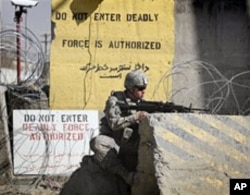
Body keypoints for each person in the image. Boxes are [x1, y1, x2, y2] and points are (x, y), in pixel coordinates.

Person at [90, 70, 149, 191]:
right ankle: (126, 176)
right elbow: (114, 124)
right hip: (116, 142)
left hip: (132, 145)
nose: (144, 91)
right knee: (97, 142)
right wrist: (135, 117)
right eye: (140, 88)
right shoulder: (115, 101)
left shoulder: (142, 103)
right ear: (131, 88)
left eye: (145, 88)